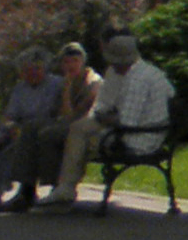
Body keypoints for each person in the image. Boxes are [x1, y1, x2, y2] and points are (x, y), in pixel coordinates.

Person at [53, 32, 172, 209]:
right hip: (115, 124)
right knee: (77, 128)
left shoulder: (143, 78)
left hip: (142, 134)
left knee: (88, 141)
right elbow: (105, 103)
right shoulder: (115, 73)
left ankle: (66, 186)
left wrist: (108, 117)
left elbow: (130, 120)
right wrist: (102, 113)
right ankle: (65, 188)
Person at [3, 49, 59, 211]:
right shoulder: (20, 88)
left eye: (37, 69)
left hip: (45, 127)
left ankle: (26, 192)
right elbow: (10, 115)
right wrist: (11, 126)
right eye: (27, 70)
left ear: (45, 69)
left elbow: (57, 113)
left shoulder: (56, 84)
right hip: (22, 128)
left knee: (25, 140)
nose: (32, 73)